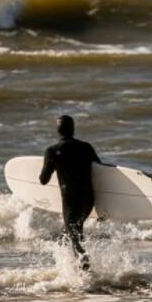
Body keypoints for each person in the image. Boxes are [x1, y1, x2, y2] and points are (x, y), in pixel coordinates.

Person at [39, 115, 104, 271]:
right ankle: (79, 273)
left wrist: (51, 164)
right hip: (88, 200)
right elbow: (101, 170)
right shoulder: (86, 147)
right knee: (71, 233)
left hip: (70, 200)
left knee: (73, 237)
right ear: (73, 129)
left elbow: (43, 180)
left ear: (58, 130)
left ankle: (83, 258)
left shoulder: (52, 151)